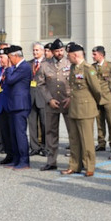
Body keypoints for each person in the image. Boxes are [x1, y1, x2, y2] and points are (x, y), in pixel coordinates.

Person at [61, 43, 100, 176]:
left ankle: (89, 166)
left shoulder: (88, 69)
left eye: (69, 55)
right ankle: (74, 165)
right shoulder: (73, 68)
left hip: (86, 109)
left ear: (75, 55)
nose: (68, 57)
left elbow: (97, 90)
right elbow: (73, 89)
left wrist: (91, 104)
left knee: (87, 139)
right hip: (74, 108)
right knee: (74, 139)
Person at [37, 39, 72, 171]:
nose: (59, 53)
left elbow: (76, 82)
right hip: (52, 103)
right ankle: (51, 161)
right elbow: (41, 84)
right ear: (52, 52)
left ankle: (74, 162)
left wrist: (70, 97)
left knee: (72, 132)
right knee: (51, 133)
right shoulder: (45, 65)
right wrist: (49, 99)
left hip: (67, 102)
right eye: (57, 51)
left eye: (61, 50)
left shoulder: (69, 62)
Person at [3, 45, 33, 170]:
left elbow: (10, 80)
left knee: (20, 134)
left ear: (16, 56)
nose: (9, 60)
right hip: (13, 104)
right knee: (14, 133)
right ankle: (16, 159)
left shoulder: (24, 67)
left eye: (9, 57)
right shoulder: (17, 67)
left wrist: (9, 69)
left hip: (20, 105)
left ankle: (24, 160)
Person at [92, 46, 111, 154]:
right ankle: (101, 143)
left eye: (95, 54)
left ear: (101, 55)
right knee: (99, 122)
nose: (93, 56)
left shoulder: (110, 66)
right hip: (96, 99)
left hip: (108, 98)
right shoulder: (91, 67)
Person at [27, 42, 46, 157]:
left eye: (37, 50)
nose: (35, 52)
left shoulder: (48, 63)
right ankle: (34, 147)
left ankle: (45, 147)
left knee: (45, 124)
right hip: (31, 96)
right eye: (34, 50)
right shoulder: (29, 64)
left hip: (43, 97)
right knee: (32, 124)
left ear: (42, 51)